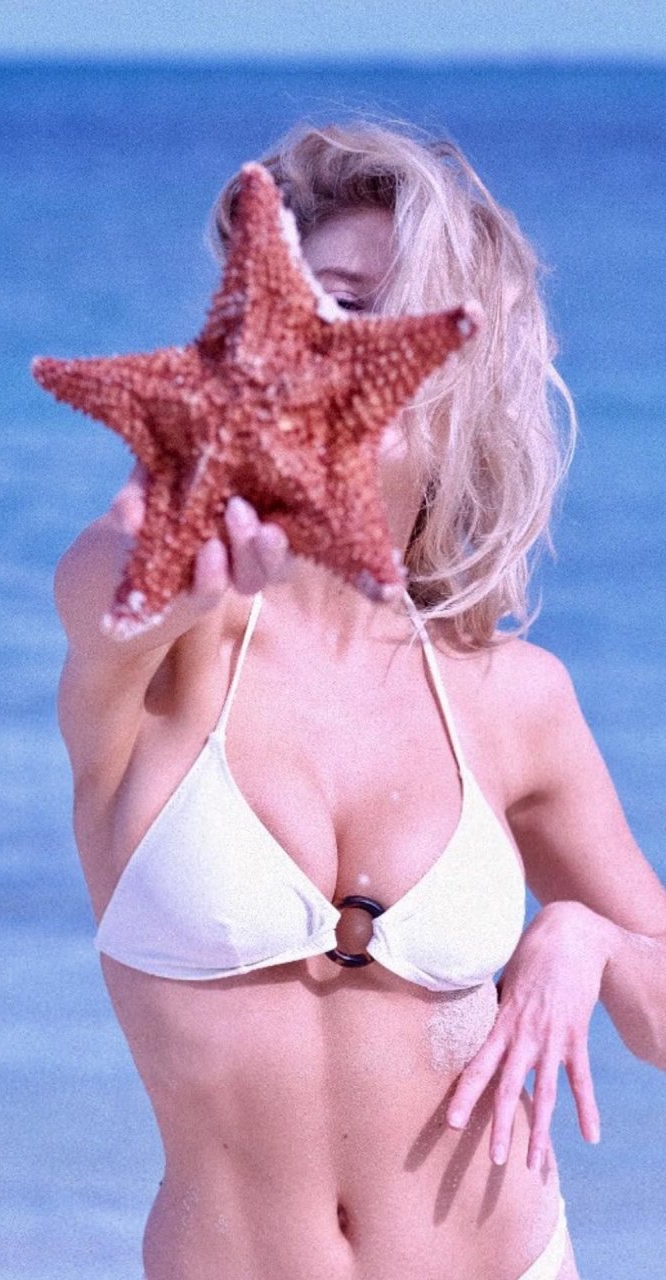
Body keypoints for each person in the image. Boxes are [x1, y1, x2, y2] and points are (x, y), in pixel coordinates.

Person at [54, 120, 666, 1280]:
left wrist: (586, 939)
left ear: (455, 371)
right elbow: (102, 597)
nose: (323, 348)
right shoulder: (166, 658)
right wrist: (176, 529)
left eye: (374, 314)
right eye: (313, 305)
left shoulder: (511, 697)